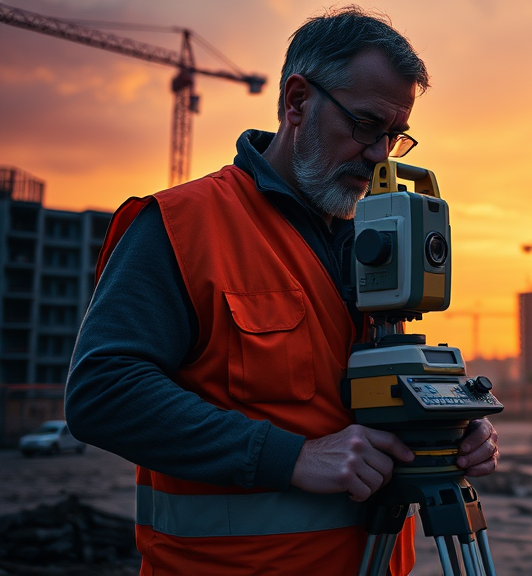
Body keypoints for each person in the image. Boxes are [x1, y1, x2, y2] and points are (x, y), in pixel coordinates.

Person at [65, 7, 499, 575]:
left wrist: (446, 428)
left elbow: (363, 401)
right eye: (366, 125)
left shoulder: (373, 241)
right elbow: (102, 392)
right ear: (297, 101)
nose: (379, 155)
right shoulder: (182, 226)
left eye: (395, 137)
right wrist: (291, 457)